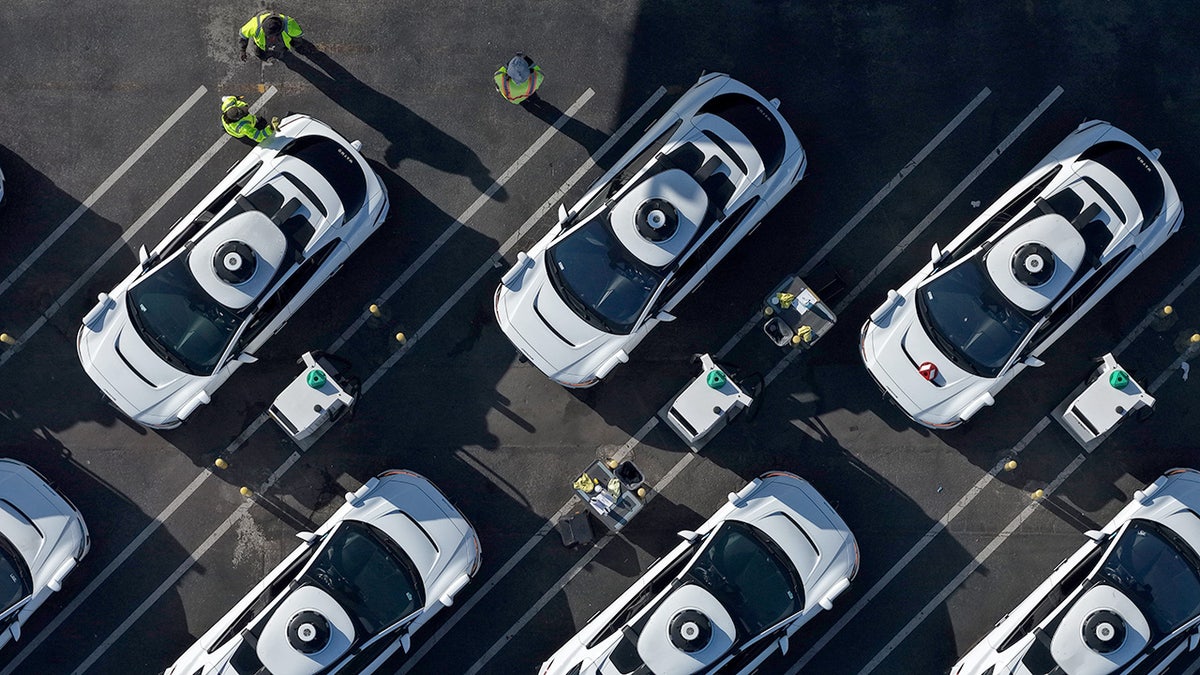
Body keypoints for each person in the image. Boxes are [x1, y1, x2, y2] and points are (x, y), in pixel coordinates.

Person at [238, 12, 303, 61]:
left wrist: (296, 44)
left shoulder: (290, 24)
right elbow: (243, 36)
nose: (271, 39)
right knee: (259, 54)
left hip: (281, 47)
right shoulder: (254, 25)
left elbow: (297, 36)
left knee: (280, 52)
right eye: (268, 36)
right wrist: (242, 50)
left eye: (274, 36)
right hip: (261, 47)